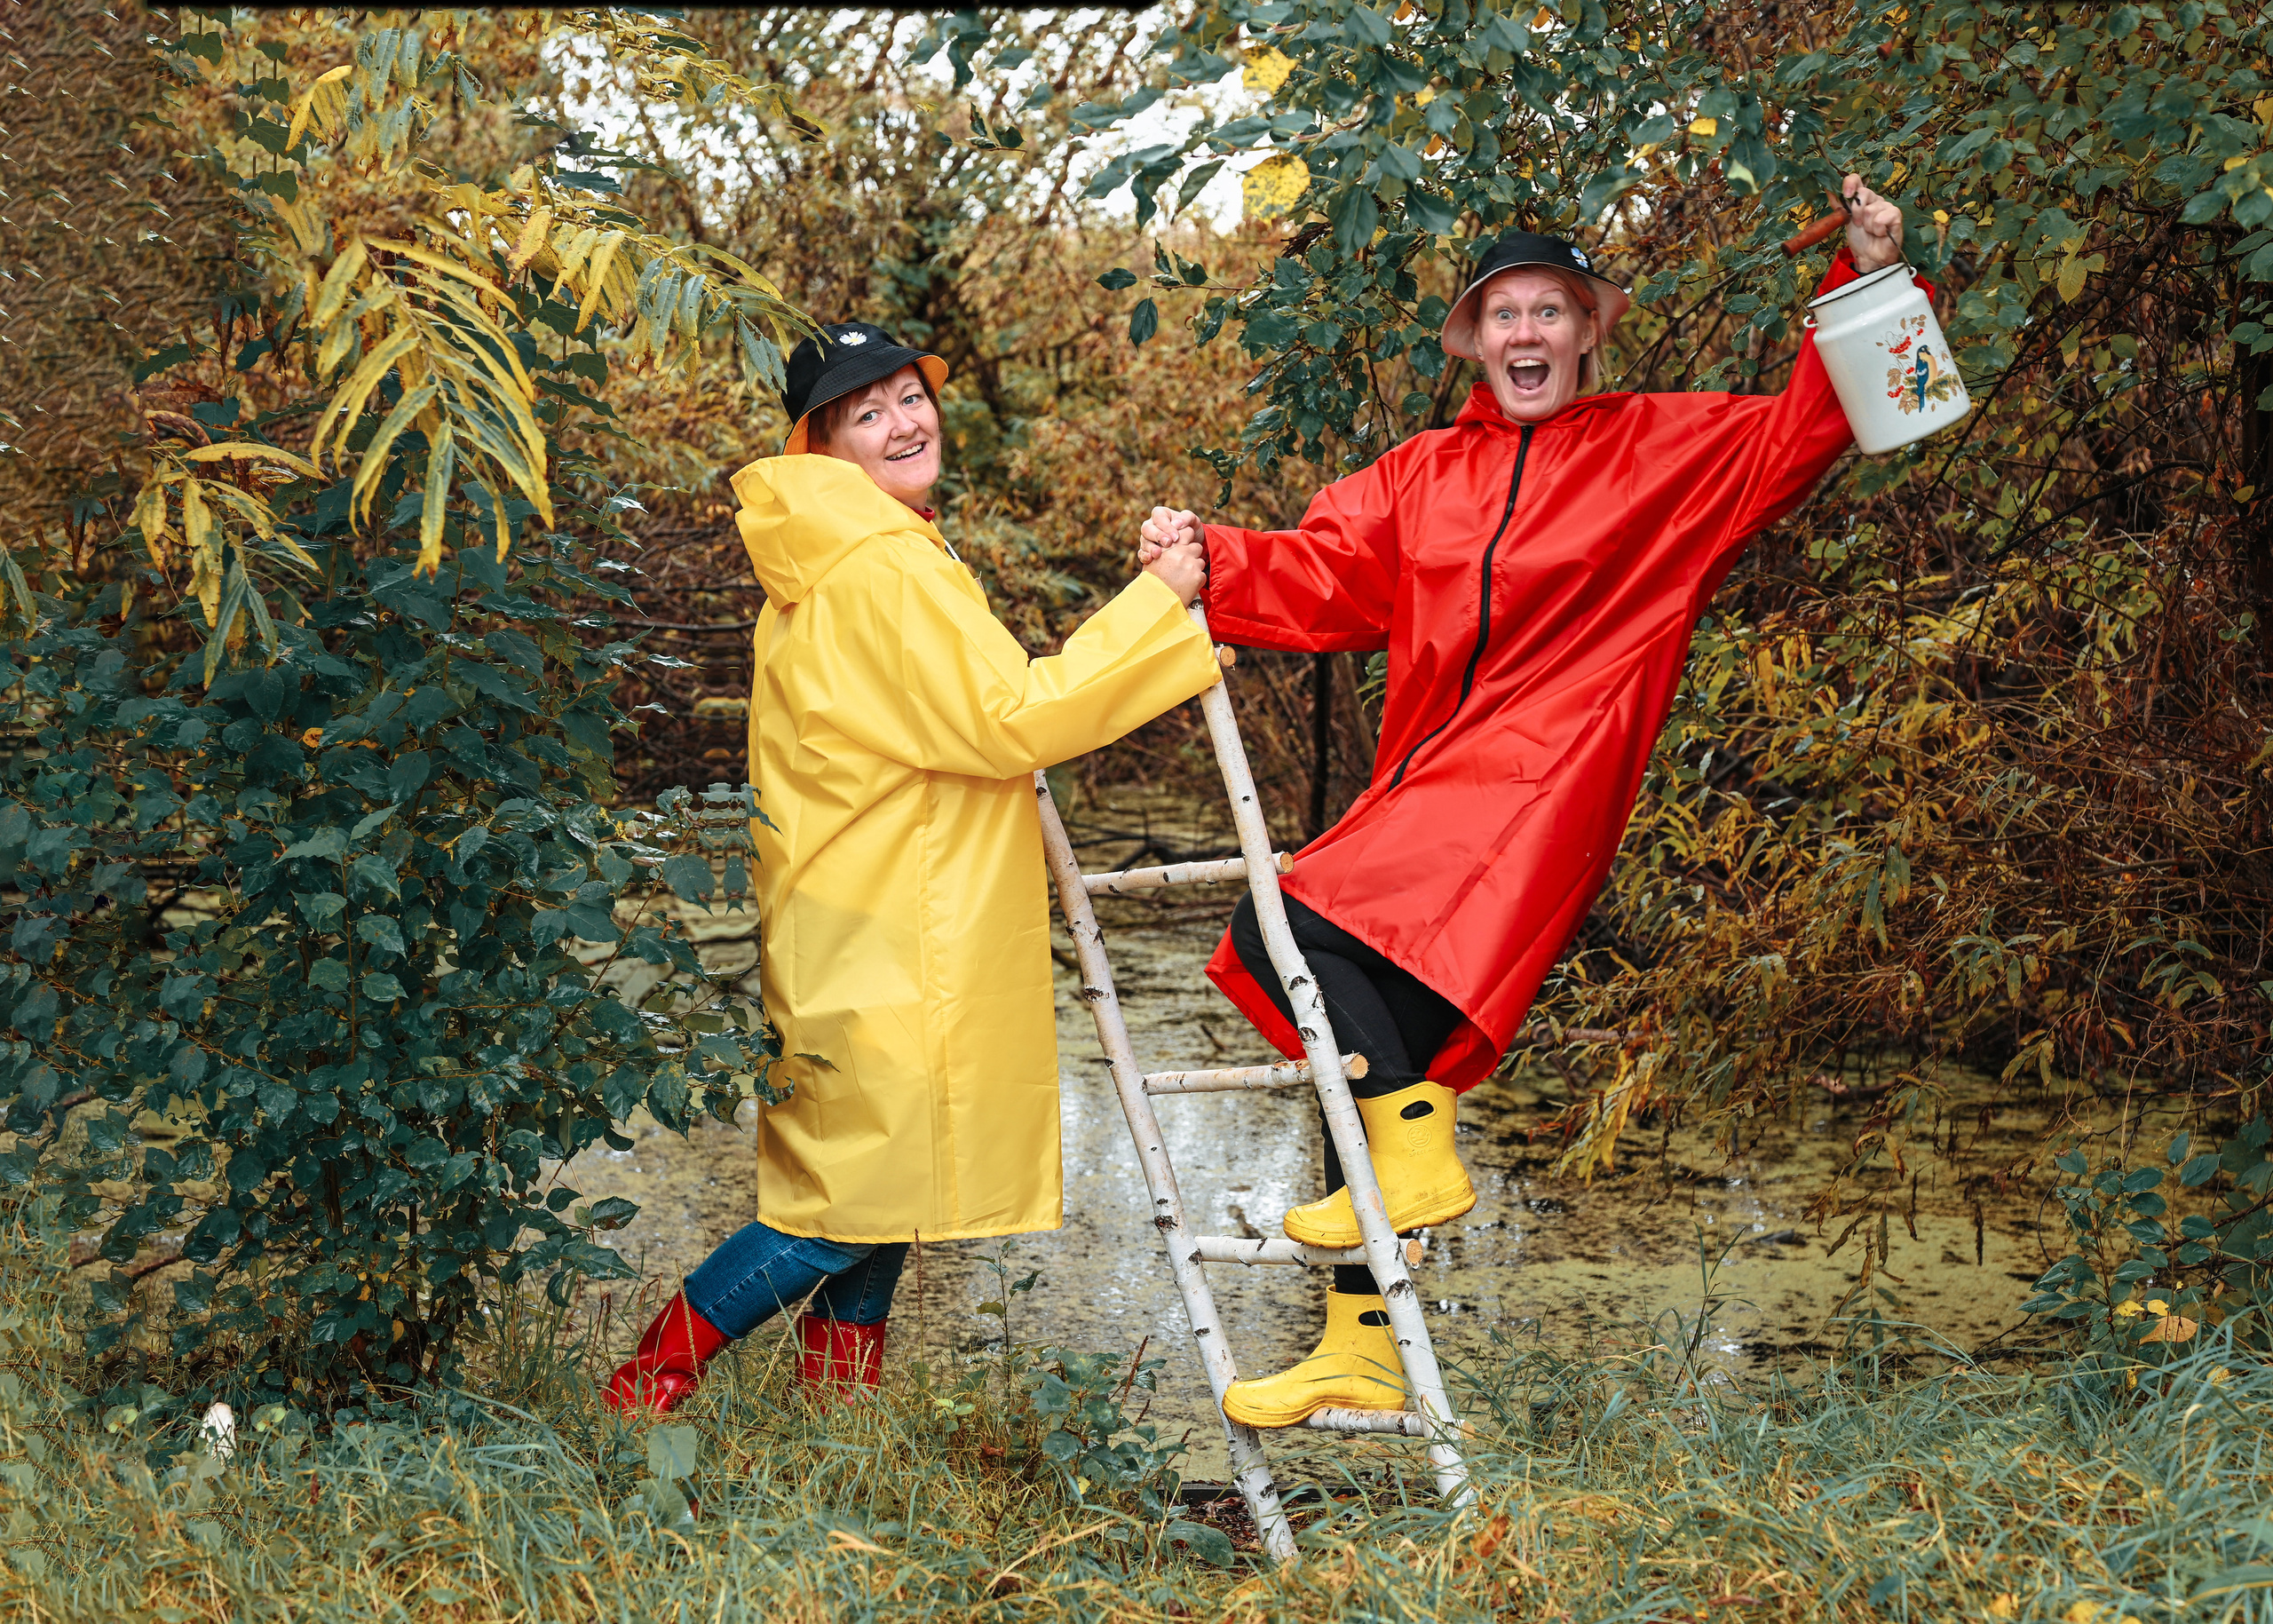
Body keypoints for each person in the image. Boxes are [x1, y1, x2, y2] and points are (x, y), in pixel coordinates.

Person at [1139, 178, 1916, 1427]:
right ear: (1475, 340)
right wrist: (1212, 559)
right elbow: (1328, 575)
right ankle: (1365, 1340)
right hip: (1434, 777)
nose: (1526, 333)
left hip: (1547, 771)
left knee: (1284, 925)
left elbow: (1809, 433)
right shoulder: (1421, 475)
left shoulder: (1656, 449)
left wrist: (1868, 275)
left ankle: (1413, 1158)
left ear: (1586, 331)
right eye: (1502, 313)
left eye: (1549, 309)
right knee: (1370, 1051)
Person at [606, 321, 1219, 1413]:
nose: (904, 421)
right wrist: (1158, 599)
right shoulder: (880, 563)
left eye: (908, 395)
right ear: (823, 447)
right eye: (868, 411)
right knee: (832, 1211)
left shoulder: (836, 556)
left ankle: (837, 1434)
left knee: (886, 1186)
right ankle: (641, 1390)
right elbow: (1012, 714)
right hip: (892, 925)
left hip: (860, 910)